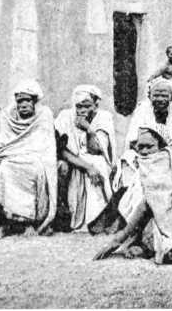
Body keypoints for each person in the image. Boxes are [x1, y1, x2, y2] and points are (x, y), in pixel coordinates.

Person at [93, 128, 172, 264]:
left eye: (150, 146)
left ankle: (165, 248)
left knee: (157, 223)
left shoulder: (166, 162)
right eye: (141, 147)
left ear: (161, 147)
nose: (145, 151)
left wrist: (118, 240)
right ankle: (149, 245)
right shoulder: (148, 165)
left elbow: (151, 205)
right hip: (161, 216)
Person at [112, 77, 172, 225]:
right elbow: (133, 140)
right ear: (150, 96)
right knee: (129, 160)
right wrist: (148, 152)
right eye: (156, 95)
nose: (160, 99)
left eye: (164, 95)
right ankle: (134, 213)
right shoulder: (142, 110)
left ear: (171, 97)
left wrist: (161, 153)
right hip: (145, 151)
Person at [0, 80, 57, 238]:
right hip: (11, 156)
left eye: (27, 100)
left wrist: (27, 155)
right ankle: (5, 224)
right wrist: (12, 154)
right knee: (5, 168)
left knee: (33, 168)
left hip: (36, 157)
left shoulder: (44, 114)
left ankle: (29, 223)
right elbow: (4, 143)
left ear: (34, 101)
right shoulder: (8, 115)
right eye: (20, 101)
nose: (23, 105)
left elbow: (44, 145)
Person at [54, 85, 115, 233]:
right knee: (62, 166)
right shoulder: (65, 117)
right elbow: (62, 150)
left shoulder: (103, 117)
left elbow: (95, 150)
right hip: (73, 161)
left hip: (94, 160)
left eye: (87, 106)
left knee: (98, 163)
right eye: (79, 106)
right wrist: (87, 167)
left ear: (95, 105)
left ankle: (95, 218)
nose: (82, 110)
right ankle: (69, 217)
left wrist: (89, 130)